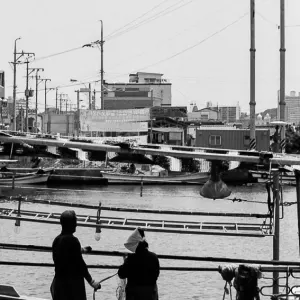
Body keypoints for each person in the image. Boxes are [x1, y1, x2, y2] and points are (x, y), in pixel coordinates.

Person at [51, 210, 101, 300]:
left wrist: (82, 249)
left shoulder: (56, 240)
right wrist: (91, 282)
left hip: (59, 284)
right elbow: (80, 264)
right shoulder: (73, 241)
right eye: (75, 222)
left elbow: (66, 254)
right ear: (71, 224)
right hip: (72, 286)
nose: (76, 225)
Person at [118, 228, 160, 300]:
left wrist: (124, 263)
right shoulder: (154, 257)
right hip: (150, 295)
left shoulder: (131, 259)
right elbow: (156, 275)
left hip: (134, 296)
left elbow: (121, 274)